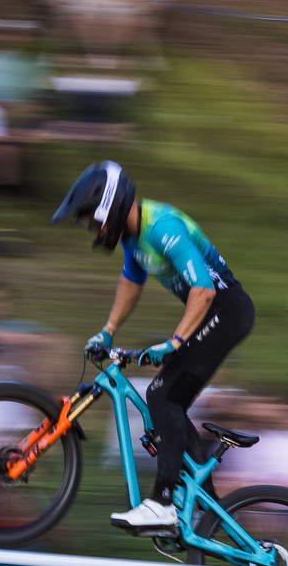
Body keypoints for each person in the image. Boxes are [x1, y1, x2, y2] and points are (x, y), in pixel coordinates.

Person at [53, 159, 254, 533]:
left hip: (226, 310)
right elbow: (132, 281)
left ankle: (163, 503)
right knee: (169, 401)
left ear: (109, 207)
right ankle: (206, 510)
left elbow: (204, 289)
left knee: (161, 395)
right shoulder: (133, 236)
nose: (92, 230)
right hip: (212, 312)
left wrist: (176, 340)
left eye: (91, 220)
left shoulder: (161, 228)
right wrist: (108, 330)